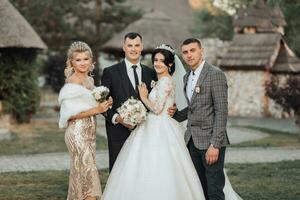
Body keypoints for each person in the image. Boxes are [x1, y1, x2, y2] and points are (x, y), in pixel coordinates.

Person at [101, 44, 206, 200]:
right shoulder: (160, 81)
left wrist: (143, 97)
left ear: (169, 64)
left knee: (158, 165)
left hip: (160, 127)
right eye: (155, 60)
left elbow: (157, 109)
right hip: (152, 124)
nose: (157, 63)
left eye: (161, 61)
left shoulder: (166, 82)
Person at [170, 38, 235, 200]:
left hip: (210, 142)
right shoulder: (187, 78)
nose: (189, 55)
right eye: (185, 52)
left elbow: (221, 112)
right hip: (192, 141)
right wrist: (175, 114)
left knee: (214, 190)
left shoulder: (215, 75)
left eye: (193, 50)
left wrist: (215, 144)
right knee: (200, 189)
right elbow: (194, 108)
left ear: (201, 51)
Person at [58, 41, 112, 200]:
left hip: (90, 132)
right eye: (78, 60)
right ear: (72, 62)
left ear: (91, 61)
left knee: (82, 173)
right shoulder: (72, 82)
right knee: (88, 172)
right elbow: (70, 114)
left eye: (85, 59)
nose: (82, 63)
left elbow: (90, 104)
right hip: (77, 133)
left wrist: (105, 104)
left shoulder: (90, 81)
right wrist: (97, 109)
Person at [101, 32, 156, 171]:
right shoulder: (110, 72)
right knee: (119, 173)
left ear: (142, 47)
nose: (133, 49)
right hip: (118, 133)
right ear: (124, 47)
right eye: (130, 45)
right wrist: (118, 118)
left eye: (137, 45)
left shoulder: (151, 73)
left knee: (144, 171)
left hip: (145, 133)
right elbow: (102, 104)